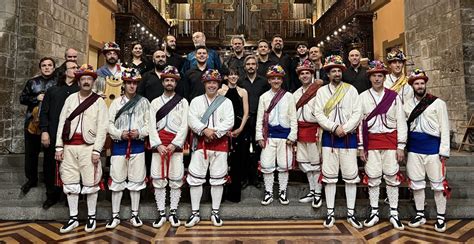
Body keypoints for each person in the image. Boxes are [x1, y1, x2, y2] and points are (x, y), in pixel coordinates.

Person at [55, 64, 108, 233]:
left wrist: (97, 150)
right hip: (69, 146)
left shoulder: (99, 102)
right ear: (78, 82)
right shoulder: (70, 99)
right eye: (83, 79)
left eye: (89, 79)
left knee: (91, 183)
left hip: (89, 147)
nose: (86, 82)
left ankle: (91, 217)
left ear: (93, 81)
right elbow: (62, 123)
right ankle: (73, 218)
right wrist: (58, 146)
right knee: (70, 182)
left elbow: (102, 127)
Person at [314, 55, 363, 229]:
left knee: (350, 178)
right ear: (327, 73)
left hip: (349, 138)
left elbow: (358, 112)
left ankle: (351, 213)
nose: (336, 73)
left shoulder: (351, 90)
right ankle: (330, 213)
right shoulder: (321, 92)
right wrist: (334, 127)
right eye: (333, 71)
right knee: (330, 178)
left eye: (338, 70)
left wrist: (346, 128)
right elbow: (318, 114)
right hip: (329, 138)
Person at [358, 60, 407, 230]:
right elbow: (359, 123)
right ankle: (374, 212)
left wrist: (401, 146)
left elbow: (401, 121)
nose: (377, 79)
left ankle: (394, 213)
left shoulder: (393, 96)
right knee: (373, 178)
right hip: (371, 141)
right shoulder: (362, 97)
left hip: (391, 141)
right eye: (374, 76)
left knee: (392, 178)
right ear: (370, 78)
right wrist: (361, 147)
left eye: (380, 75)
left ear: (384, 77)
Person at [185, 70, 234, 228]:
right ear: (204, 84)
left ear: (218, 84)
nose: (212, 85)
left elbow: (230, 121)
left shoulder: (226, 102)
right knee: (196, 179)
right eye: (209, 82)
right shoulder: (196, 101)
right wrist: (204, 130)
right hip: (201, 144)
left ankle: (215, 212)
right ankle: (195, 213)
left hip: (220, 144)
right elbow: (191, 119)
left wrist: (215, 133)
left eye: (214, 82)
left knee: (218, 180)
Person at [404, 69, 450, 233]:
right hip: (414, 150)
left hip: (433, 149)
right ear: (412, 86)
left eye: (422, 83)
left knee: (438, 185)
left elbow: (445, 127)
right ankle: (420, 214)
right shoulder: (407, 105)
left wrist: (444, 150)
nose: (420, 86)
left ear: (426, 84)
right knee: (417, 184)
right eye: (416, 83)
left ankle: (440, 217)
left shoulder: (438, 103)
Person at [105, 68, 150, 229]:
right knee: (117, 180)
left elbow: (149, 125)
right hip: (119, 146)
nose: (132, 86)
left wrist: (140, 132)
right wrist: (119, 133)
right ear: (124, 84)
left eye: (134, 83)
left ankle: (135, 214)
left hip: (137, 146)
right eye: (129, 83)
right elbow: (108, 124)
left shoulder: (144, 102)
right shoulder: (116, 103)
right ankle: (115, 215)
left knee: (136, 180)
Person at [148, 66, 189, 228]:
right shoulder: (155, 102)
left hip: (175, 145)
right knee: (158, 179)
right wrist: (157, 145)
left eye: (172, 80)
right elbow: (151, 125)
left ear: (176, 82)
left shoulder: (183, 102)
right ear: (163, 82)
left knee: (175, 179)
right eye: (167, 80)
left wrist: (174, 144)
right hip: (159, 145)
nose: (169, 82)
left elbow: (185, 125)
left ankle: (173, 211)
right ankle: (161, 213)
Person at [39, 60, 80, 209]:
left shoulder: (79, 90)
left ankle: (70, 198)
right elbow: (44, 113)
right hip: (53, 133)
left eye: (77, 67)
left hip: (73, 136)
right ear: (65, 71)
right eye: (73, 67)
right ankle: (51, 196)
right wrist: (44, 131)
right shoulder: (53, 90)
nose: (76, 69)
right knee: (50, 166)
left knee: (72, 167)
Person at [256, 65, 297, 206]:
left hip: (285, 136)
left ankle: (282, 191)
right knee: (267, 164)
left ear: (282, 80)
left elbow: (293, 118)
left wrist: (293, 135)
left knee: (284, 165)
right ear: (269, 80)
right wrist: (259, 136)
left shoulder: (289, 96)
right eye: (273, 78)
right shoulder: (264, 97)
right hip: (269, 135)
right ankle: (268, 192)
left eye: (278, 78)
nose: (276, 81)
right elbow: (260, 118)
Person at [20, 57, 57, 194]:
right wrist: (36, 98)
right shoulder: (32, 82)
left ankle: (50, 183)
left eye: (49, 65)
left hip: (49, 124)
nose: (47, 67)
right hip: (32, 122)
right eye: (44, 65)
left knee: (50, 154)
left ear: (53, 67)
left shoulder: (57, 83)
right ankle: (31, 179)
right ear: (40, 67)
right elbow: (22, 99)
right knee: (31, 153)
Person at [293, 60, 323, 209]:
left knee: (316, 163)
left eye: (307, 73)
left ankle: (318, 193)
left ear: (312, 74)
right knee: (305, 163)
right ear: (299, 76)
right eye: (302, 73)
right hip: (300, 130)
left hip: (314, 129)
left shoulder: (320, 91)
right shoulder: (295, 94)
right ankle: (312, 191)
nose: (304, 76)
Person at [238, 55, 270, 188]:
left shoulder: (264, 81)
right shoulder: (240, 81)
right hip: (244, 120)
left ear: (257, 66)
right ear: (245, 67)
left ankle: (256, 177)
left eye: (253, 64)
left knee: (258, 150)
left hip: (259, 120)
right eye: (248, 64)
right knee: (244, 150)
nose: (251, 66)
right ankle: (245, 177)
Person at [218, 68, 249, 202]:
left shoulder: (243, 92)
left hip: (238, 127)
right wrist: (222, 130)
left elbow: (246, 112)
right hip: (223, 127)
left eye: (235, 74)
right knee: (223, 161)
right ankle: (221, 194)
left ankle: (235, 195)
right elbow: (217, 111)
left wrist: (241, 128)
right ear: (226, 77)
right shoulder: (220, 91)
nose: (233, 77)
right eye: (231, 74)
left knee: (236, 161)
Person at [96, 42, 125, 107]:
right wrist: (97, 96)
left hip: (121, 105)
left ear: (117, 56)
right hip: (103, 104)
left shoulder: (124, 72)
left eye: (114, 54)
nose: (112, 56)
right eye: (109, 54)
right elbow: (93, 90)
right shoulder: (99, 73)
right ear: (105, 56)